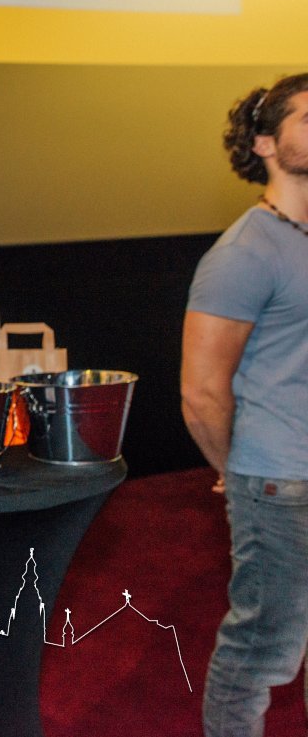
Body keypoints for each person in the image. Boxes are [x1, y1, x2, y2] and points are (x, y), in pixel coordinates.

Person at [182, 72, 308, 736]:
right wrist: (237, 474)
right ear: (264, 142)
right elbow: (201, 391)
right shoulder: (242, 253)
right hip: (279, 480)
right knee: (261, 652)